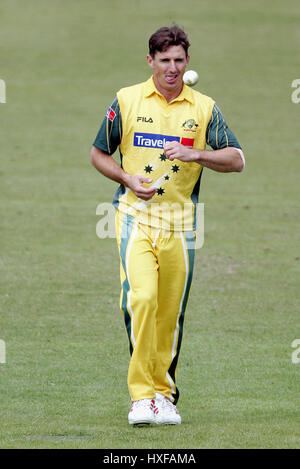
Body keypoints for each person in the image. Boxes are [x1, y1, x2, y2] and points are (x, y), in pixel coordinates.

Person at [90, 25, 245, 426]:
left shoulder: (204, 107)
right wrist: (127, 179)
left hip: (182, 224)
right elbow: (97, 153)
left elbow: (236, 159)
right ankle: (142, 396)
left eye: (179, 60)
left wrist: (196, 156)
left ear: (187, 61)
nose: (172, 68)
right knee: (141, 300)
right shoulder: (126, 100)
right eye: (165, 61)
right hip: (133, 219)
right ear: (150, 61)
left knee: (169, 313)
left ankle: (165, 395)